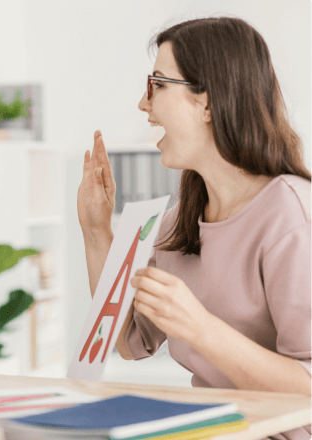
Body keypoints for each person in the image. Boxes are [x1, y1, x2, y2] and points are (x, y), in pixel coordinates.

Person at [77, 17, 311, 440]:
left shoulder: (291, 214)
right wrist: (97, 232)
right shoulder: (180, 221)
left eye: (158, 85)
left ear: (207, 102)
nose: (143, 104)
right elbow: (128, 342)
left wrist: (200, 328)